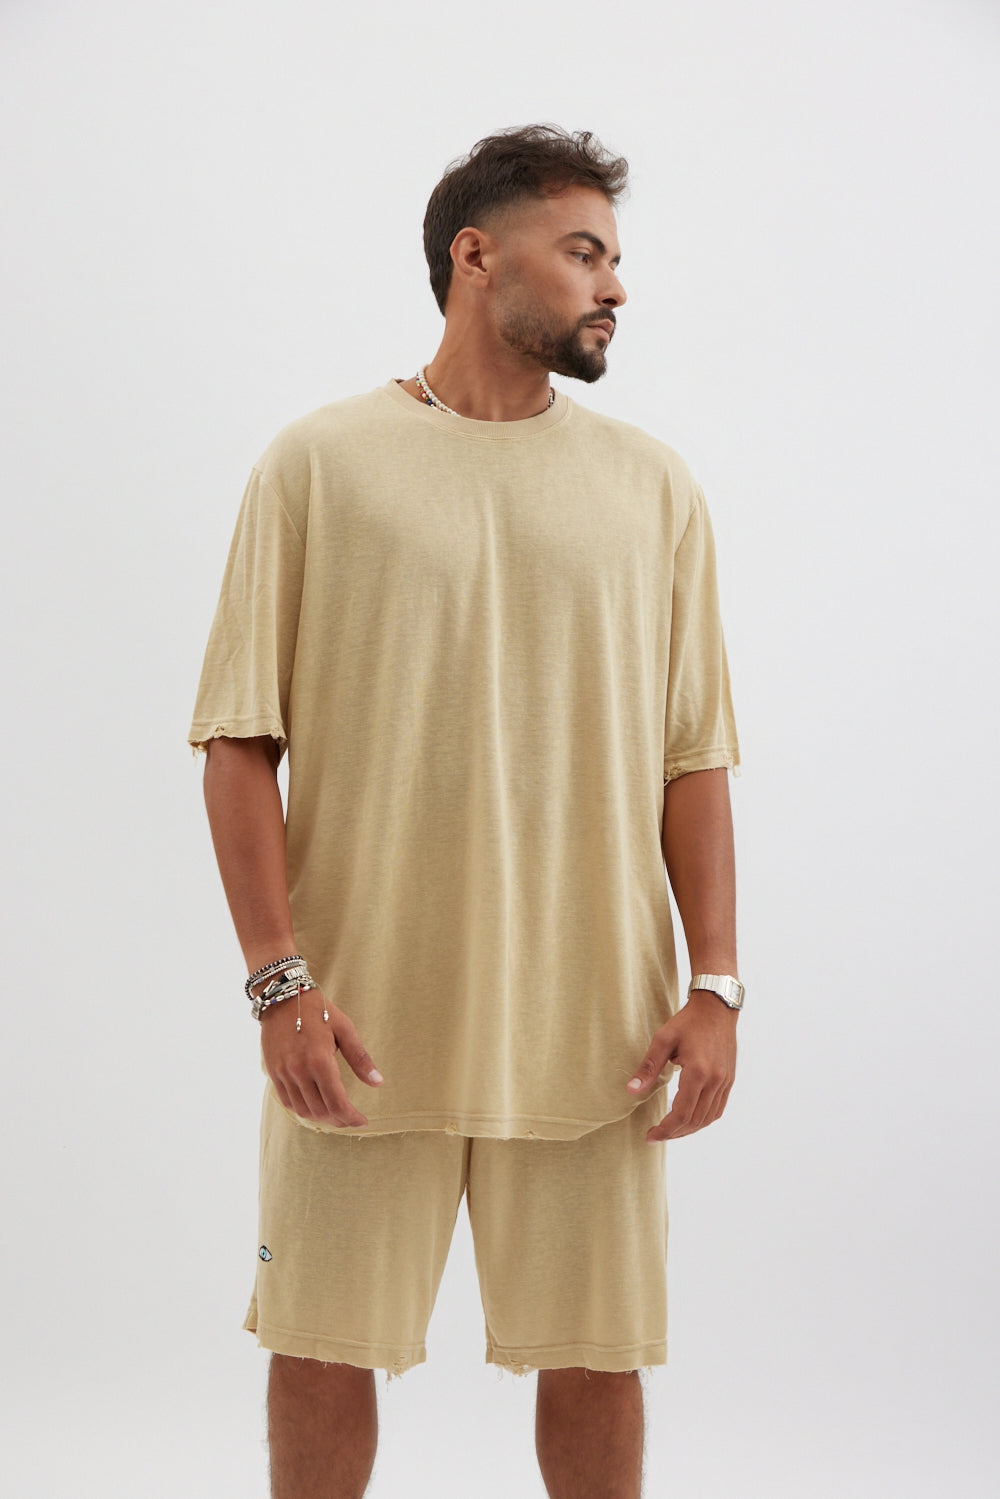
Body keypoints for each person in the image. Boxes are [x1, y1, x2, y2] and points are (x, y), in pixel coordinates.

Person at [188, 123, 743, 1499]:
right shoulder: (320, 463)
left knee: (598, 1359)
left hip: (596, 1023)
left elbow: (693, 757)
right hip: (356, 1023)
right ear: (475, 255)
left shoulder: (653, 486)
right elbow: (239, 741)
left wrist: (716, 981)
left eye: (615, 258)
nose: (614, 286)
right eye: (583, 253)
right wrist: (277, 980)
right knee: (321, 1350)